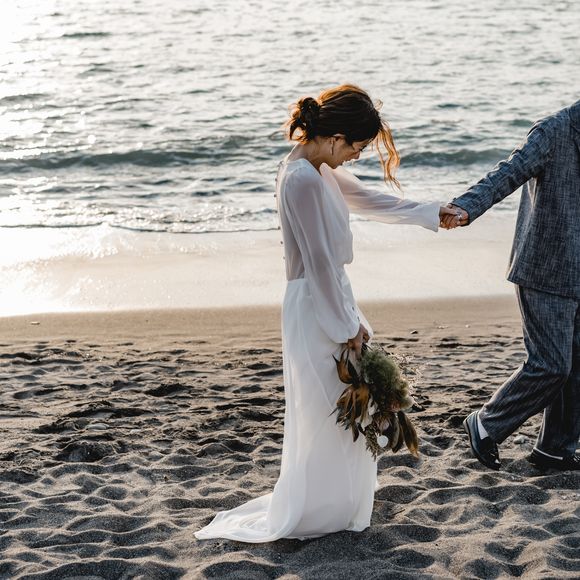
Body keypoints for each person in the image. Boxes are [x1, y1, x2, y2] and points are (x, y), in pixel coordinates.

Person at [195, 85, 455, 542]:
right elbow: (316, 262)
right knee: (324, 410)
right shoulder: (300, 179)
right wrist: (346, 325)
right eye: (357, 146)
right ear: (335, 138)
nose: (357, 155)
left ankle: (337, 506)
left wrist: (435, 213)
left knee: (343, 409)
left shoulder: (319, 170)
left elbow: (373, 201)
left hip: (333, 295)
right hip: (315, 305)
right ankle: (317, 511)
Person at [441, 100, 580, 472]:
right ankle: (486, 424)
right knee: (551, 365)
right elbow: (508, 171)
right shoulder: (554, 130)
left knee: (575, 368)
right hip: (544, 270)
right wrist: (467, 206)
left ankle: (555, 449)